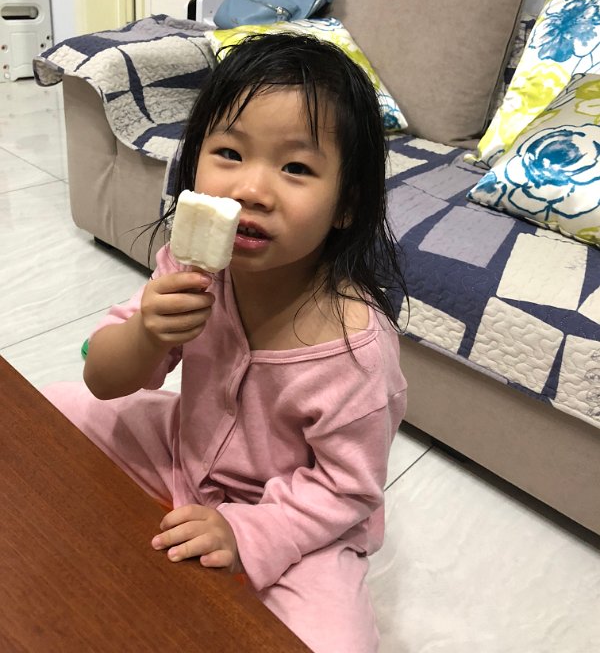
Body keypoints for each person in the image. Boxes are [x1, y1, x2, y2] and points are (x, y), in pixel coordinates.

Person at [43, 33, 408, 653]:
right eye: (230, 153)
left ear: (346, 205)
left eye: (296, 168)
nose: (251, 189)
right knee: (50, 411)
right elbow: (101, 377)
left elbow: (345, 489)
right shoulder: (190, 267)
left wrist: (248, 533)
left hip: (292, 513)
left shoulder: (357, 351)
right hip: (182, 447)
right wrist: (145, 332)